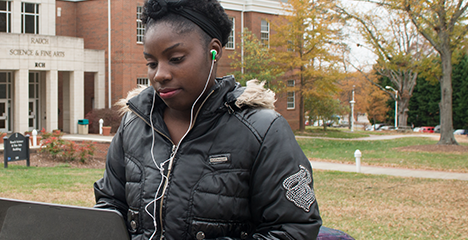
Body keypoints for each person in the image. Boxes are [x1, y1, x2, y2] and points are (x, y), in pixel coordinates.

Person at [92, 0, 322, 239]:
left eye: (176, 58)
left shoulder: (263, 130)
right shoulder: (134, 124)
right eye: (151, 63)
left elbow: (294, 229)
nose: (160, 74)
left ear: (214, 51)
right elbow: (110, 206)